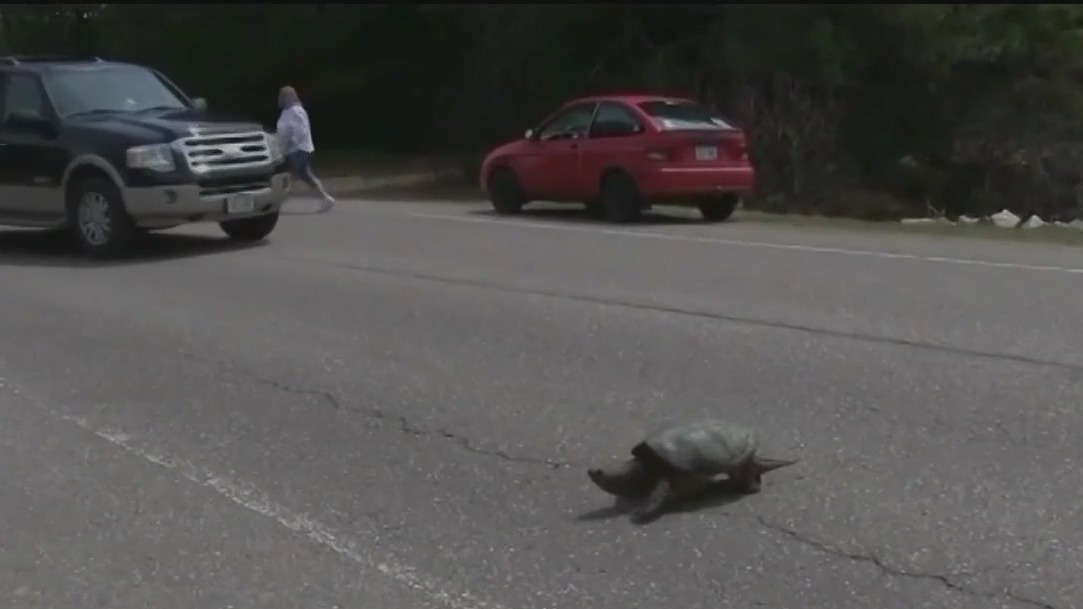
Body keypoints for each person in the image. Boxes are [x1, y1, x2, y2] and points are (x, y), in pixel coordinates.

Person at [276, 85, 335, 211]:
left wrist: (291, 141)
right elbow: (283, 130)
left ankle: (326, 198)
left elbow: (300, 130)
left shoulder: (297, 111)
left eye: (285, 96)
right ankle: (278, 200)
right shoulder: (286, 112)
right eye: (282, 96)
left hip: (300, 149)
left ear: (291, 97)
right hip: (288, 150)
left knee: (304, 174)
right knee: (284, 173)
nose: (282, 98)